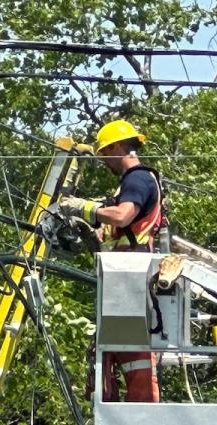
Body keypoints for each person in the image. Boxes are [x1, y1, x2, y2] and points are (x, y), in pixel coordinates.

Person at [58, 119, 164, 403]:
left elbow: (123, 216)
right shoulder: (132, 183)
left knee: (130, 345)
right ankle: (120, 405)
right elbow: (116, 227)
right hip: (125, 270)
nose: (105, 161)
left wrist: (85, 207)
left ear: (118, 147)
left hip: (132, 269)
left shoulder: (137, 178)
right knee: (118, 345)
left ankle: (141, 410)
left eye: (105, 153)